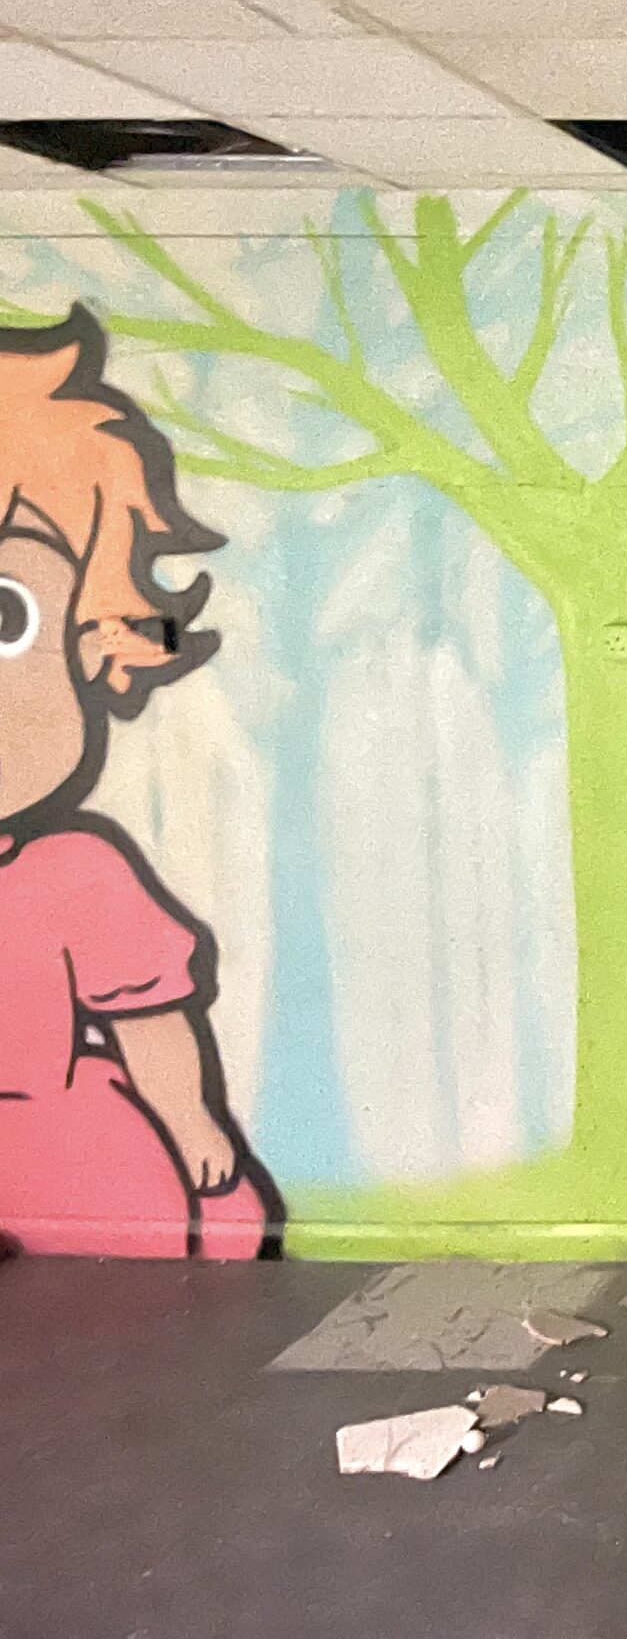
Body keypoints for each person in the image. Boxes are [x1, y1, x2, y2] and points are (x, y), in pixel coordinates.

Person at [0, 309, 276, 1258]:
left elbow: (149, 1019)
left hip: (69, 1149)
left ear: (96, 641)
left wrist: (194, 1123)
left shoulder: (72, 872)